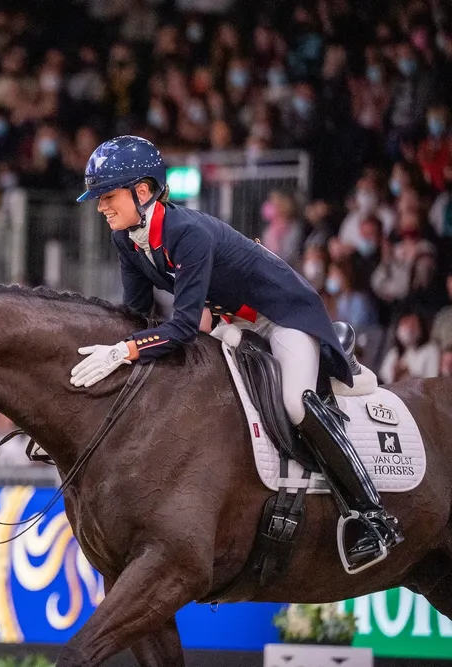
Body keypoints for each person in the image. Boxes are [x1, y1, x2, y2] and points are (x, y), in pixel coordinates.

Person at [69, 135, 403, 569]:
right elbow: (137, 315)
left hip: (282, 315)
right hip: (235, 320)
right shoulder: (127, 240)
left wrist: (124, 352)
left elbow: (183, 327)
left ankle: (371, 516)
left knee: (295, 403)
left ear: (143, 191)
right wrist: (107, 354)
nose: (101, 207)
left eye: (108, 196)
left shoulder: (186, 233)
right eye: (98, 199)